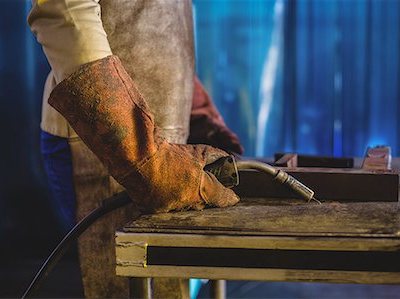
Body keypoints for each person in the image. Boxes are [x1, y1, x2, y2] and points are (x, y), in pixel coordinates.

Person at [28, 0, 243, 297]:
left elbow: (154, 18)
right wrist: (141, 154)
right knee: (120, 287)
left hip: (167, 140)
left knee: (167, 287)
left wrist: (194, 108)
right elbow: (64, 9)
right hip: (104, 139)